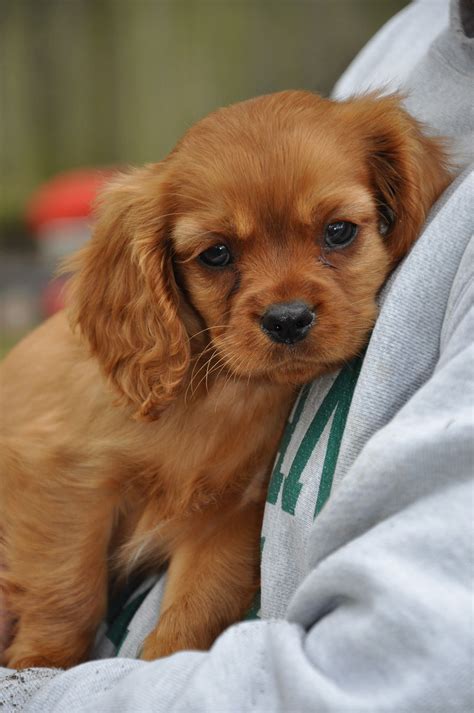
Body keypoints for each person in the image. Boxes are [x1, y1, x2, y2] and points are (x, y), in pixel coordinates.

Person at [1, 0, 472, 709]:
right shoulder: (411, 37)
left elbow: (230, 521)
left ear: (403, 213)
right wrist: (48, 653)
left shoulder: (405, 161)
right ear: (159, 268)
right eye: (217, 255)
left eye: (338, 235)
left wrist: (165, 661)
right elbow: (50, 466)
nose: (287, 305)